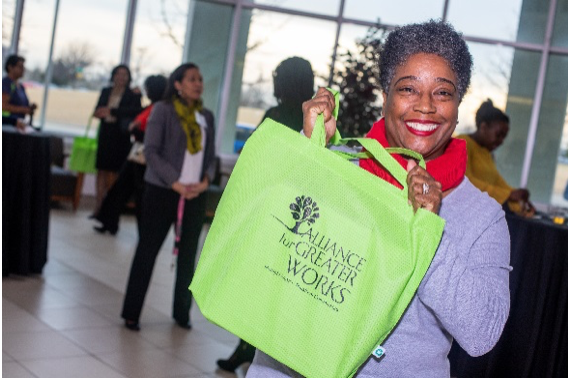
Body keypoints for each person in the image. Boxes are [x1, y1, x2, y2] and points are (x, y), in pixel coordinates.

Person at [247, 20, 511, 377]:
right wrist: (308, 157)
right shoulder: (339, 166)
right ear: (385, 96)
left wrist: (426, 232)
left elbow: (482, 332)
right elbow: (255, 235)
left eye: (443, 93)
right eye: (408, 89)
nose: (426, 106)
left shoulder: (482, 216)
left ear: (459, 103)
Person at [216, 56, 315, 373]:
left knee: (260, 282)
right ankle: (252, 350)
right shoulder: (319, 116)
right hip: (301, 214)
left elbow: (254, 157)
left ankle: (248, 349)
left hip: (271, 210)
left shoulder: (277, 114)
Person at [121, 63, 216, 331]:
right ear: (177, 84)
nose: (198, 83)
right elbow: (151, 151)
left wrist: (205, 180)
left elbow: (210, 157)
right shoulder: (163, 110)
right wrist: (174, 182)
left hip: (195, 194)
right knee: (147, 250)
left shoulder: (206, 116)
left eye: (200, 79)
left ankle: (181, 313)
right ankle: (131, 312)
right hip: (163, 191)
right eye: (191, 79)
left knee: (188, 256)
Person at [93, 74, 167, 235]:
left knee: (139, 196)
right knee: (120, 190)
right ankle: (109, 222)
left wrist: (134, 128)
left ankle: (143, 232)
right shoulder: (152, 106)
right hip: (137, 154)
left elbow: (149, 132)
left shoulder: (159, 109)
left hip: (145, 157)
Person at [457, 99, 534, 215]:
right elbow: (463, 181)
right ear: (483, 127)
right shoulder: (462, 144)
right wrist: (508, 195)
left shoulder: (486, 153)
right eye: (498, 135)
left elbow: (497, 182)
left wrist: (517, 196)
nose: (501, 141)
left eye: (504, 137)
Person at [92, 64, 142, 216]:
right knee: (101, 170)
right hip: (105, 134)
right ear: (113, 76)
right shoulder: (106, 91)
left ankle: (109, 209)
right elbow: (98, 109)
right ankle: (98, 205)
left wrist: (112, 111)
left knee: (114, 172)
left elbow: (135, 113)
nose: (121, 77)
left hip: (120, 137)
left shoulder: (132, 94)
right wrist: (100, 112)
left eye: (124, 75)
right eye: (118, 74)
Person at [2, 54, 37, 127]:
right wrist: (22, 110)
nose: (23, 69)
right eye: (20, 67)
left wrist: (29, 108)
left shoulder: (21, 87)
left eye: (23, 67)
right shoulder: (5, 84)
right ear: (10, 67)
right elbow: (3, 106)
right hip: (7, 126)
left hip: (20, 125)